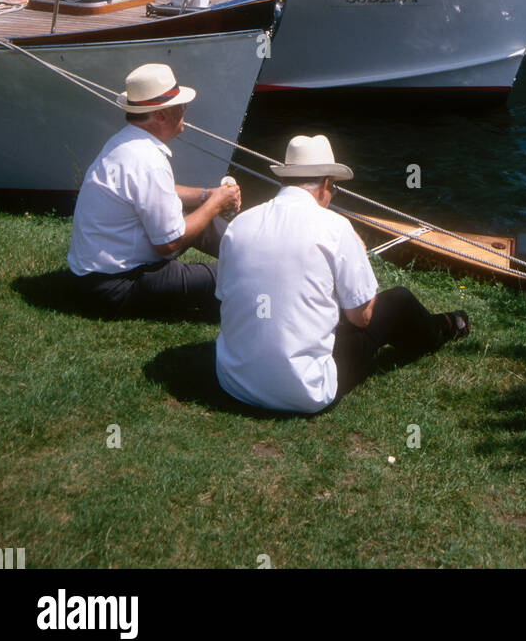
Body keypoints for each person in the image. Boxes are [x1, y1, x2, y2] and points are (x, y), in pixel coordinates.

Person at [214, 134, 469, 414]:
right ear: (326, 184)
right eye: (334, 188)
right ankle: (446, 325)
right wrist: (358, 250)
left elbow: (224, 295)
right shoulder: (335, 227)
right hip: (304, 391)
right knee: (398, 300)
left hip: (233, 381)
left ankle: (437, 326)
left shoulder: (241, 223)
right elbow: (362, 317)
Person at [67, 62, 241, 317]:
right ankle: (257, 267)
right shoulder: (147, 159)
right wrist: (216, 203)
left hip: (94, 276)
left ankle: (253, 252)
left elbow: (159, 193)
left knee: (201, 212)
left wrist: (207, 195)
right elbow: (170, 244)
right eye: (179, 106)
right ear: (160, 116)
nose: (185, 110)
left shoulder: (125, 142)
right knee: (239, 276)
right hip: (117, 284)